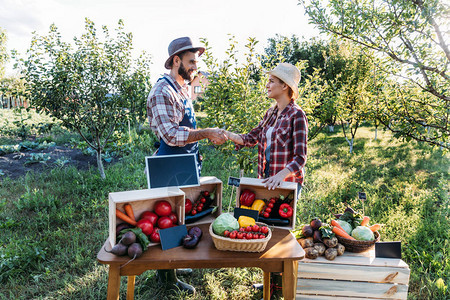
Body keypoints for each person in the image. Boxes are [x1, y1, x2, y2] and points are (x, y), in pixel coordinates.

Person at [146, 36, 227, 295]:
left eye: (196, 62)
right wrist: (206, 133)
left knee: (182, 215)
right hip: (169, 164)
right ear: (176, 60)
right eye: (191, 62)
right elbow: (170, 135)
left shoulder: (181, 88)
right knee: (167, 220)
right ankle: (166, 280)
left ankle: (175, 262)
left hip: (185, 161)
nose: (195, 67)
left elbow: (187, 126)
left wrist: (206, 137)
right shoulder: (162, 91)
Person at [225, 62, 307, 193]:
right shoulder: (270, 113)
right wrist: (226, 134)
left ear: (284, 85)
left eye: (271, 81)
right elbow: (250, 138)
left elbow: (300, 158)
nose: (267, 85)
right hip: (267, 177)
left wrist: (280, 175)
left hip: (286, 182)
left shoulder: (296, 114)